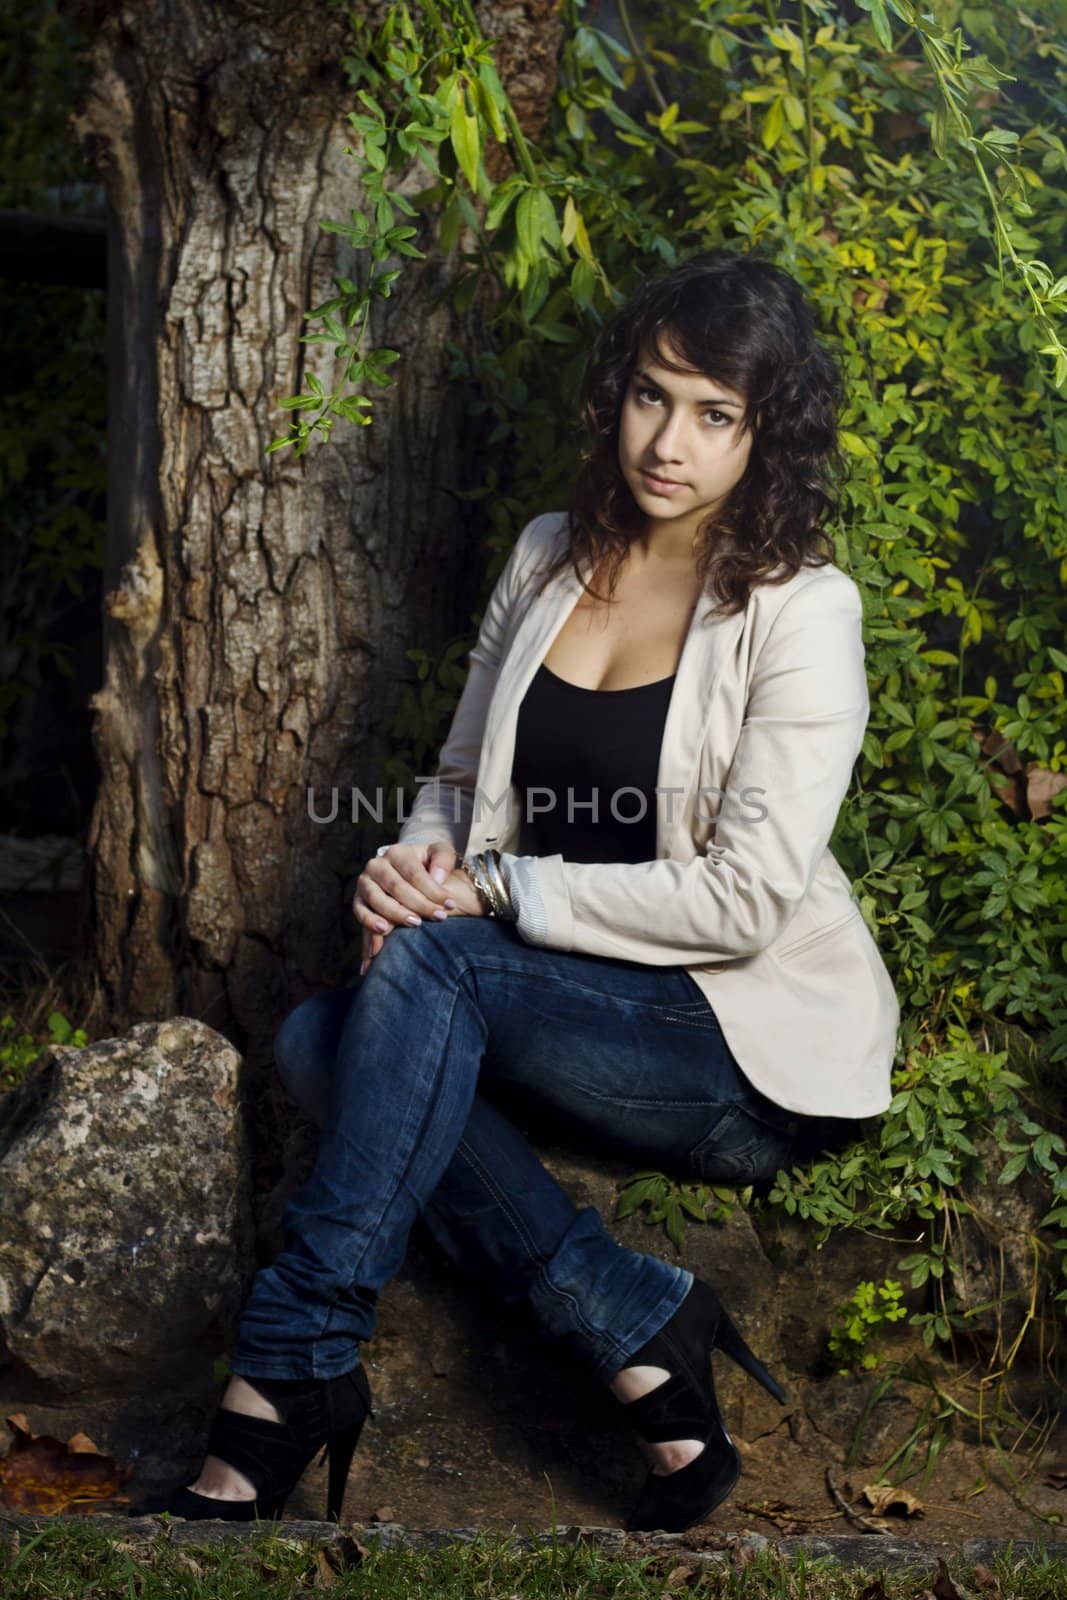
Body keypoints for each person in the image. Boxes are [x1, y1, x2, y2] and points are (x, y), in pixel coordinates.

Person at [131, 247, 899, 1533]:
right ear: (617, 395)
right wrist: (416, 868)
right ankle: (637, 1323)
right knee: (325, 1035)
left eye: (716, 416)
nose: (671, 441)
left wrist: (481, 893)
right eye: (654, 396)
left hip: (738, 1043)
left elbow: (745, 898)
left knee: (421, 978)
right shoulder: (552, 552)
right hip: (559, 994)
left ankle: (290, 1361)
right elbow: (457, 774)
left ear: (766, 437)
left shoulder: (800, 608)